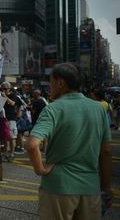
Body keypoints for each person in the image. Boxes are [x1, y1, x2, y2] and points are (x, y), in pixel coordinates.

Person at [27, 63, 112, 220]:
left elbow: (32, 145)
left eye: (51, 81)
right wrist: (106, 186)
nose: (49, 86)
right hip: (90, 187)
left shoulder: (53, 109)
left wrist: (40, 170)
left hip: (57, 186)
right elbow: (106, 152)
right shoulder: (98, 109)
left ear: (60, 83)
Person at [0, 82, 21, 161]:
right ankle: (5, 153)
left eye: (4, 89)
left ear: (9, 89)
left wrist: (5, 96)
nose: (3, 90)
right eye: (2, 89)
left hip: (11, 119)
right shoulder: (2, 96)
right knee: (5, 138)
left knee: (12, 137)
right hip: (4, 118)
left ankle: (12, 154)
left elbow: (12, 103)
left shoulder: (13, 96)